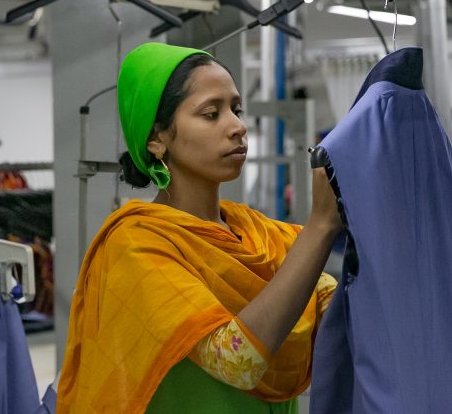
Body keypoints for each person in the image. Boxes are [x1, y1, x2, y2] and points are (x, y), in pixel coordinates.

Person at [56, 43, 342, 413]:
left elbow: (335, 306)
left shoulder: (256, 233)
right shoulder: (137, 246)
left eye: (236, 110)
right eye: (211, 114)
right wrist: (321, 226)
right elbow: (237, 362)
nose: (237, 127)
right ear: (157, 138)